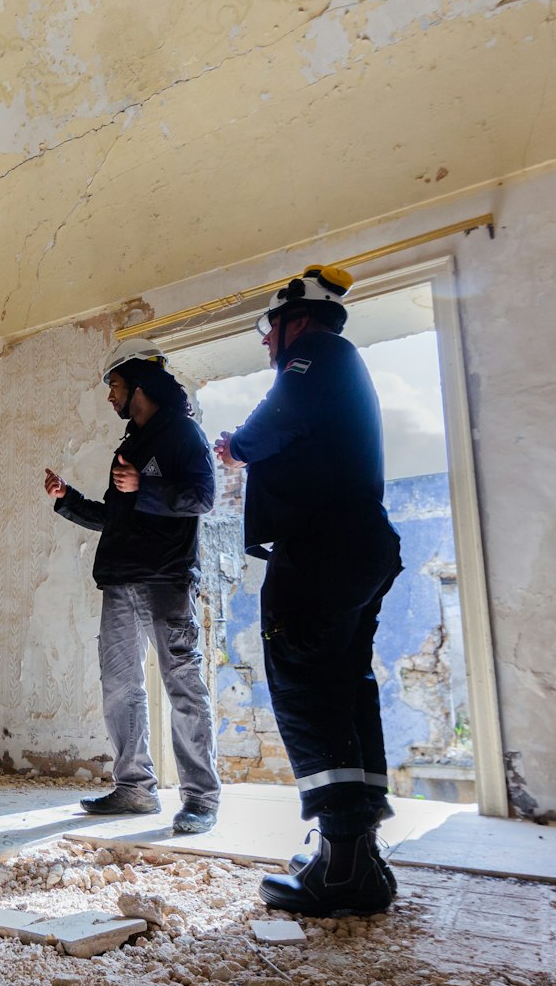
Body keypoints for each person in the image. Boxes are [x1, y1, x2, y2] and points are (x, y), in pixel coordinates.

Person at [215, 265, 404, 917]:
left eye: (270, 330)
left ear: (295, 319)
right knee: (345, 692)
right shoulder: (338, 365)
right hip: (352, 541)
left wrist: (236, 447)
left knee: (305, 688)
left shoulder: (317, 355)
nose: (267, 344)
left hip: (321, 545)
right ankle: (355, 855)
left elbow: (270, 424)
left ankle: (342, 863)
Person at [44, 339, 222, 835]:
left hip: (166, 580)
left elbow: (203, 498)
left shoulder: (185, 434)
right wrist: (67, 500)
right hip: (120, 582)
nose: (110, 397)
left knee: (183, 685)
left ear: (138, 385)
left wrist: (147, 489)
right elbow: (115, 516)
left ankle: (201, 798)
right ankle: (135, 789)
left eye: (114, 386)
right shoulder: (129, 446)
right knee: (120, 686)